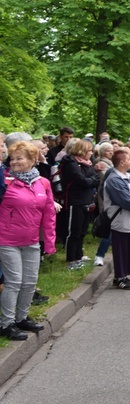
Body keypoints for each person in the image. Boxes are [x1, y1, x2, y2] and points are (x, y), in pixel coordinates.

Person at [0, 141, 56, 340]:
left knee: (30, 282)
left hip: (32, 241)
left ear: (32, 160)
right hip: (7, 240)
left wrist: (49, 242)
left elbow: (49, 214)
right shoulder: (5, 181)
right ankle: (6, 323)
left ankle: (21, 318)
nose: (14, 162)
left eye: (19, 158)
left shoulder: (43, 183)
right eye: (12, 158)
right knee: (14, 282)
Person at [102, 148, 130, 290]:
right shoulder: (114, 180)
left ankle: (124, 275)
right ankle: (120, 277)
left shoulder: (128, 176)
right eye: (128, 159)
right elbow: (125, 200)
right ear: (122, 162)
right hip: (121, 220)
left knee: (129, 248)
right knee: (121, 249)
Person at [58, 138, 107, 270]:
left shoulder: (87, 163)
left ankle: (79, 255)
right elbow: (82, 181)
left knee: (82, 230)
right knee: (74, 231)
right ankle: (71, 257)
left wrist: (90, 179)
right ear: (82, 150)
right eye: (89, 151)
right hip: (75, 200)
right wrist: (91, 179)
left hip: (86, 200)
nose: (91, 153)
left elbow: (94, 179)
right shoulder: (71, 164)